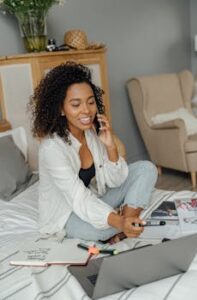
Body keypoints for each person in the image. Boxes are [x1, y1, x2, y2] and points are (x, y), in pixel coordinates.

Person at [30, 62, 158, 242]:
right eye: (76, 104)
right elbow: (78, 198)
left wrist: (110, 147)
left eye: (91, 102)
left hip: (94, 199)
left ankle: (127, 225)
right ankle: (124, 226)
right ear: (61, 109)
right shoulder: (52, 149)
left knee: (147, 169)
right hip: (67, 213)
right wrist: (117, 222)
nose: (87, 110)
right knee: (98, 232)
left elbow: (115, 180)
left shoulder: (91, 133)